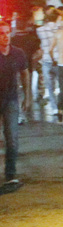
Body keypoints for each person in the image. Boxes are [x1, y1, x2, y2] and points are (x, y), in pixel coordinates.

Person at [0, 19, 30, 191]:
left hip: (11, 100)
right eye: (1, 33)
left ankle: (10, 175)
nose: (5, 37)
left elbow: (25, 73)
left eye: (7, 33)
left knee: (12, 139)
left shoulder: (17, 53)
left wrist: (27, 96)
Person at [36, 6, 60, 115]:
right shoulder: (60, 30)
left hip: (46, 60)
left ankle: (54, 107)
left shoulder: (40, 30)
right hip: (59, 60)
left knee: (49, 86)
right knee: (62, 84)